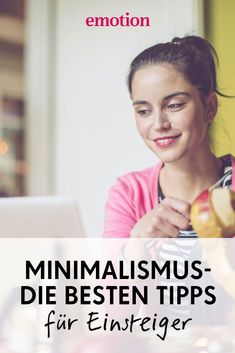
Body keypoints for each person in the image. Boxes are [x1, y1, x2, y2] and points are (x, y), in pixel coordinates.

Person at [103, 35, 235, 239]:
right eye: (144, 111)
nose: (158, 124)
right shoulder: (128, 194)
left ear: (209, 107)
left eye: (174, 105)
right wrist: (135, 248)